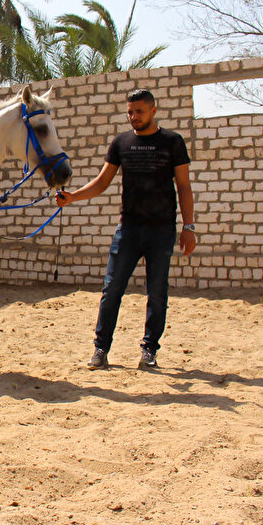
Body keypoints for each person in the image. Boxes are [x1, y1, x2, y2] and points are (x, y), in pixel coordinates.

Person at [56, 89, 196, 370]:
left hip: (161, 231)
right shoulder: (121, 143)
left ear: (154, 111)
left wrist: (188, 226)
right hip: (128, 230)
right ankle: (100, 349)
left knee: (157, 293)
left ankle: (149, 350)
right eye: (130, 112)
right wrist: (73, 196)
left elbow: (183, 185)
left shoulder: (172, 142)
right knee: (111, 289)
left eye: (139, 112)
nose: (134, 117)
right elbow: (102, 181)